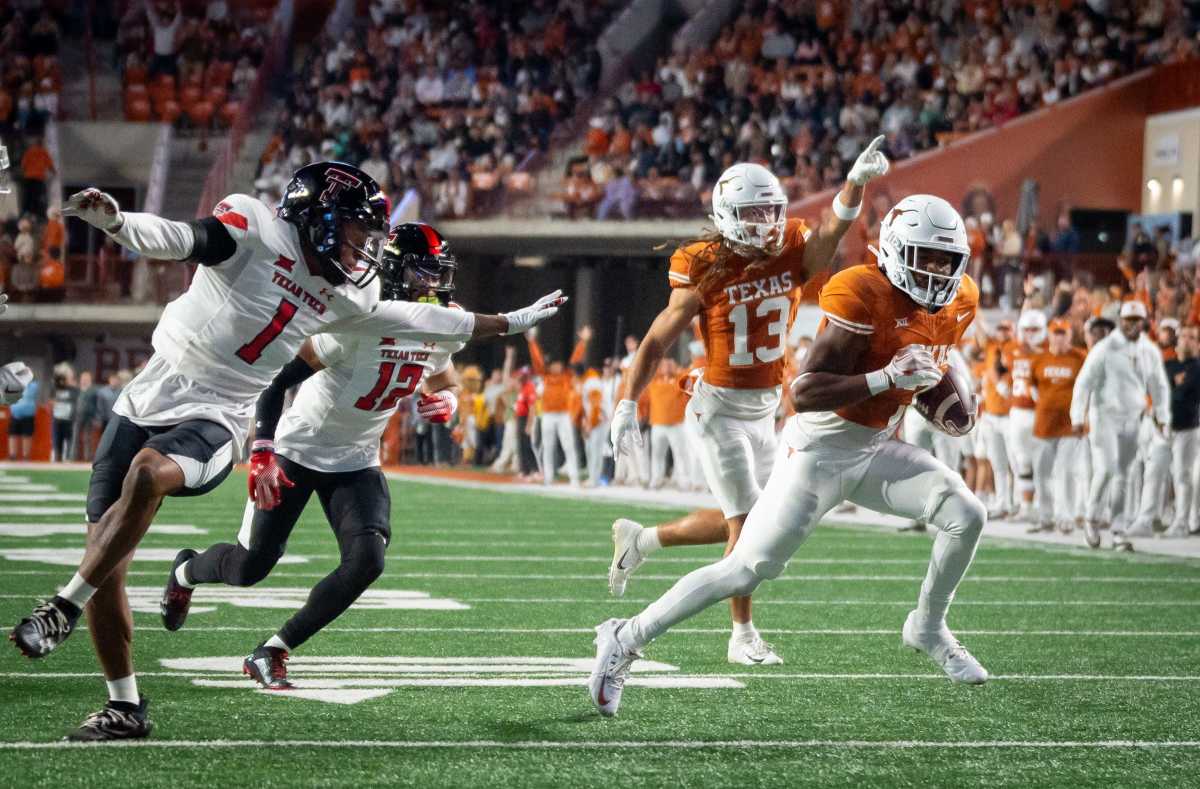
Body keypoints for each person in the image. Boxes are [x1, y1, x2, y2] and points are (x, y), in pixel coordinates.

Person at [8, 162, 565, 742]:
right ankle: (125, 704)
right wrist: (121, 223)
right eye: (356, 232)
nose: (363, 250)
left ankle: (68, 607)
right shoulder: (255, 228)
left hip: (223, 415)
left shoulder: (353, 294)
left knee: (155, 480)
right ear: (320, 219)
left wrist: (508, 324)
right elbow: (182, 238)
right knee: (116, 555)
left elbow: (420, 321)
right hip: (161, 397)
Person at [591, 194, 988, 719]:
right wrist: (888, 377)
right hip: (818, 452)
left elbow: (928, 356)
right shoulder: (860, 291)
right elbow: (805, 391)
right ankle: (624, 637)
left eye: (945, 261)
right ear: (894, 251)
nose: (937, 272)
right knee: (745, 570)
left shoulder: (961, 300)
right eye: (925, 257)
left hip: (876, 448)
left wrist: (933, 389)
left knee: (966, 514)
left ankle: (928, 626)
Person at [606, 137, 889, 666]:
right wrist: (627, 402)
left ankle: (639, 541)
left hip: (767, 409)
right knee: (746, 529)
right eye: (752, 211)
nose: (764, 221)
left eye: (770, 210)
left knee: (759, 515)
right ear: (726, 214)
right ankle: (741, 635)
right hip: (719, 412)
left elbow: (830, 232)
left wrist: (854, 186)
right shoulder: (703, 262)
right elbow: (655, 340)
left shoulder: (790, 246)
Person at [161, 223, 465, 688]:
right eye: (423, 273)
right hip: (298, 450)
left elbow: (444, 379)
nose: (432, 285)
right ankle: (186, 569)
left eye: (436, 274)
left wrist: (449, 402)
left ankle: (273, 649)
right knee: (249, 567)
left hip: (359, 459)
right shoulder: (357, 323)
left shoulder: (441, 328)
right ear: (397, 273)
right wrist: (262, 450)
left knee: (368, 561)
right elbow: (276, 380)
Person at [1071, 301, 1169, 551]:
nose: (1132, 324)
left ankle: (1118, 530)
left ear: (1143, 322)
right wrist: (1077, 417)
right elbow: (1084, 382)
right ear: (1121, 321)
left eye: (1136, 320)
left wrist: (1161, 415)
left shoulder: (1149, 350)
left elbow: (1158, 385)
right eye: (1128, 320)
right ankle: (1092, 518)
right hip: (1104, 415)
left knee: (1124, 474)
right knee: (1106, 468)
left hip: (1133, 417)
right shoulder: (1105, 348)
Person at [1029, 318, 1087, 533]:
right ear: (1050, 335)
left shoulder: (1080, 358)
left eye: (1063, 333)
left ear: (1070, 335)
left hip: (1070, 426)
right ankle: (1045, 517)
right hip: (1044, 425)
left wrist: (1082, 416)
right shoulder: (1040, 359)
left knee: (1066, 472)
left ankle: (1066, 516)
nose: (1060, 337)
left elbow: (1086, 387)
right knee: (1042, 474)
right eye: (1056, 333)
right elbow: (1033, 387)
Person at [527, 326, 589, 486]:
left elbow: (576, 358)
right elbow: (537, 359)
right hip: (548, 415)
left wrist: (583, 341)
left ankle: (574, 478)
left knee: (569, 445)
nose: (558, 366)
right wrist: (532, 341)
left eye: (559, 364)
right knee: (548, 447)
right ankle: (548, 478)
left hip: (563, 415)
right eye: (555, 364)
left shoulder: (567, 375)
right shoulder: (545, 375)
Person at [1006, 310, 1047, 524]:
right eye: (1027, 329)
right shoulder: (1015, 350)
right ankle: (1026, 506)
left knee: (1040, 463)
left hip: (1036, 412)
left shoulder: (1047, 352)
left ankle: (1043, 507)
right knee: (1021, 462)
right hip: (1016, 412)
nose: (1030, 333)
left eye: (1035, 329)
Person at [1162, 326, 1200, 537]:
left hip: (1188, 428)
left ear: (1197, 344)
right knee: (1156, 474)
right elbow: (1156, 389)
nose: (1186, 340)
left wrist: (1171, 388)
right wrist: (1172, 387)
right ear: (1177, 342)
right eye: (1183, 336)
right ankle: (1150, 517)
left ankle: (1182, 521)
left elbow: (1182, 393)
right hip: (1164, 428)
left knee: (1182, 476)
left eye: (1191, 337)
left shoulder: (1197, 367)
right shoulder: (1168, 364)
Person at [51, 362, 79, 462]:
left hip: (69, 418)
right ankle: (56, 457)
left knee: (69, 439)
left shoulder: (74, 389)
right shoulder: (55, 387)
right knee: (57, 439)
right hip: (57, 418)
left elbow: (76, 398)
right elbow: (51, 400)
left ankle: (67, 458)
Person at [7, 365, 37, 460]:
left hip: (28, 415)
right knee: (12, 435)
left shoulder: (34, 386)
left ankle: (26, 456)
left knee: (27, 436)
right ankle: (13, 455)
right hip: (15, 415)